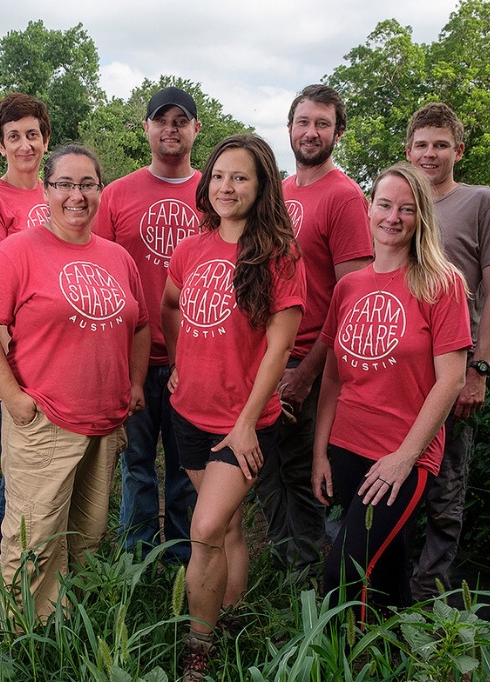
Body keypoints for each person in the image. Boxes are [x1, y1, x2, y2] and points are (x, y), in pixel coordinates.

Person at [0, 144, 150, 619]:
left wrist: (134, 384)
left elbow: (142, 323)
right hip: (44, 419)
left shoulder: (116, 257)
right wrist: (14, 400)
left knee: (87, 533)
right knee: (33, 538)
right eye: (65, 184)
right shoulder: (17, 252)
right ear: (47, 191)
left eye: (87, 184)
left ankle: (70, 629)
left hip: (104, 423)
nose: (77, 195)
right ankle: (24, 640)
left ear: (100, 192)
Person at [162, 134, 306, 680]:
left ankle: (200, 649)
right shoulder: (192, 247)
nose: (227, 186)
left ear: (262, 185)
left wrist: (247, 423)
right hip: (188, 413)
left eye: (240, 177)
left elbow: (280, 346)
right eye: (220, 175)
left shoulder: (279, 257)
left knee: (203, 530)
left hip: (242, 424)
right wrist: (178, 359)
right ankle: (235, 617)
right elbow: (171, 304)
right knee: (226, 530)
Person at [312, 163, 471, 618]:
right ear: (369, 210)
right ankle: (401, 657)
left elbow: (452, 379)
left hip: (401, 456)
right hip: (345, 445)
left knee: (341, 574)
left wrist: (405, 457)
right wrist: (320, 452)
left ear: (422, 217)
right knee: (384, 572)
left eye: (407, 208)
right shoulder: (349, 287)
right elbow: (333, 376)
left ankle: (337, 662)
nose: (393, 217)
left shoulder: (442, 284)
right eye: (384, 205)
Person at [256, 84, 372, 577]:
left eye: (322, 124)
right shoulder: (280, 191)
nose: (311, 132)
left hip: (310, 360)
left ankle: (302, 575)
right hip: (271, 357)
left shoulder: (345, 198)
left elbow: (353, 299)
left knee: (301, 473)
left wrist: (307, 374)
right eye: (303, 122)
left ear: (337, 134)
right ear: (289, 129)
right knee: (265, 466)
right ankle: (283, 560)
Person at [405, 102, 490, 600]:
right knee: (396, 475)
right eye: (422, 144)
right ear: (409, 150)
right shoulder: (397, 204)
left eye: (441, 144)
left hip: (452, 369)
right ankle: (387, 589)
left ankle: (428, 600)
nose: (430, 154)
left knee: (445, 489)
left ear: (458, 151)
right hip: (400, 369)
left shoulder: (480, 202)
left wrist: (479, 369)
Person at [94, 85, 201, 564]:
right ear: (147, 128)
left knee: (186, 468)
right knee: (136, 465)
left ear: (196, 129)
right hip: (132, 356)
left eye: (181, 120)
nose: (171, 128)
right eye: (162, 120)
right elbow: (97, 269)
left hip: (195, 359)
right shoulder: (116, 195)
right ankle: (136, 561)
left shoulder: (215, 192)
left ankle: (181, 561)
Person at [0, 93, 51, 555]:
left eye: (32, 135)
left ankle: (52, 557)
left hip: (54, 351)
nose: (25, 145)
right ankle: (13, 569)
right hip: (16, 353)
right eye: (14, 136)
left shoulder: (56, 189)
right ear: (0, 145)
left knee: (52, 463)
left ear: (45, 139)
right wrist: (9, 365)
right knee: (19, 466)